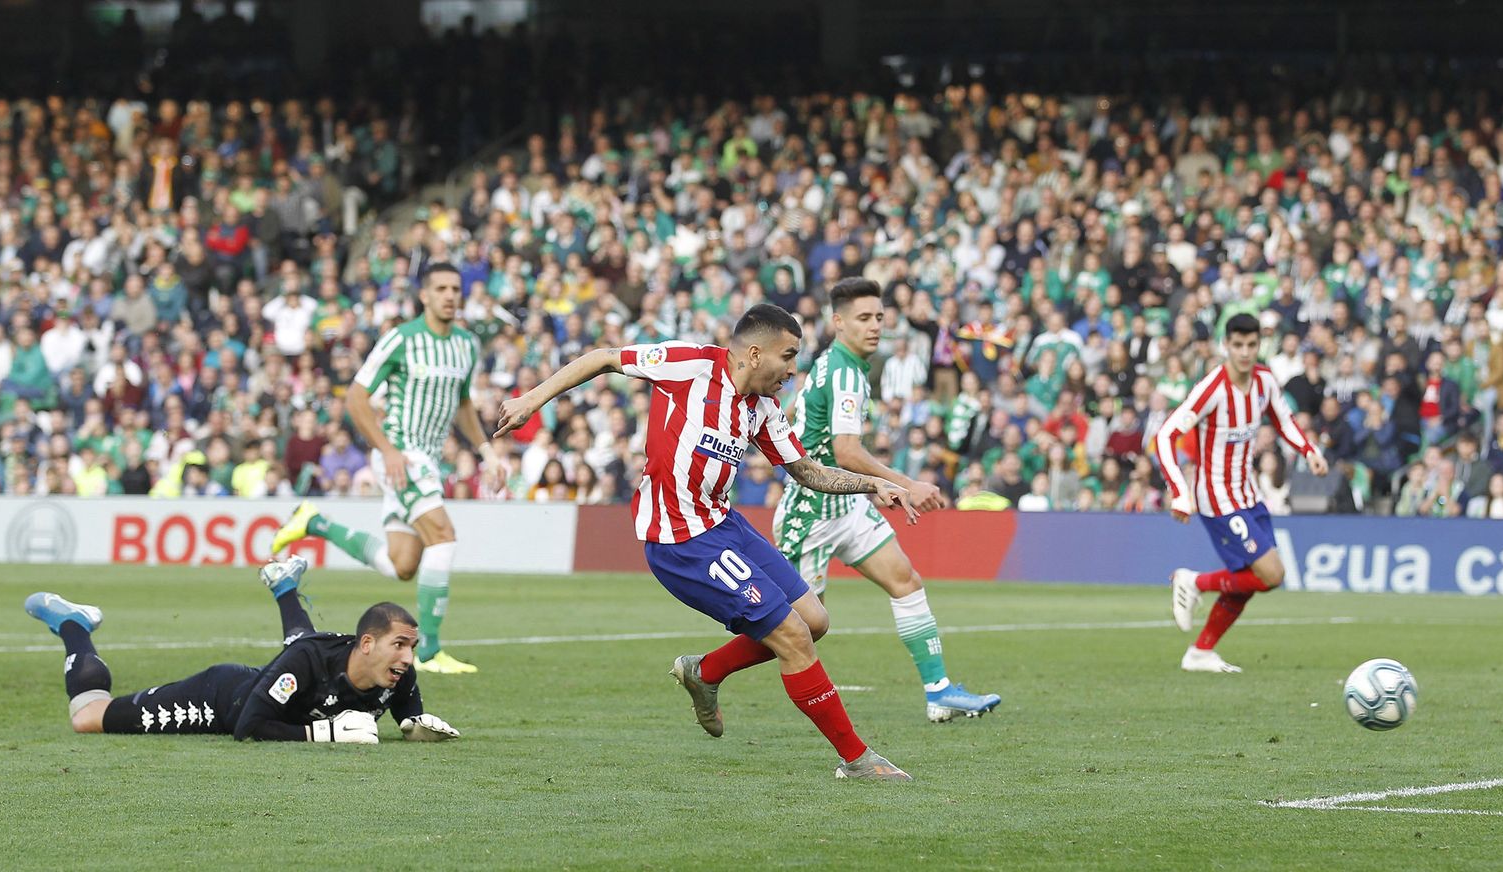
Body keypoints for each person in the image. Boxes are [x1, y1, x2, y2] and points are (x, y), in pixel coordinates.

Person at [495, 303, 916, 780]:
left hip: (723, 525)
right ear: (755, 354)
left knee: (814, 620)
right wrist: (532, 399)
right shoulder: (691, 364)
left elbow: (807, 471)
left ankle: (706, 671)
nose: (793, 371)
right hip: (679, 541)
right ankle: (857, 759)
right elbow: (605, 356)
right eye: (789, 357)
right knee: (794, 637)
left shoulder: (763, 408)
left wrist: (872, 484)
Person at [775, 278, 1000, 722]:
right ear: (838, 322)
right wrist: (906, 484)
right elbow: (847, 451)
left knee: (906, 581)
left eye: (879, 316)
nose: (875, 326)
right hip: (812, 511)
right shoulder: (843, 371)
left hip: (848, 503)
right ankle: (709, 669)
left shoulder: (837, 364)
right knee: (795, 628)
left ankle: (939, 692)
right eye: (864, 318)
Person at [272, 263, 501, 674]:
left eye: (455, 288)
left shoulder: (466, 345)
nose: (450, 295)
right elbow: (357, 397)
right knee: (443, 536)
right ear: (424, 296)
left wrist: (487, 450)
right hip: (401, 452)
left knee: (402, 564)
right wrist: (387, 449)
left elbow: (463, 403)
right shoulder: (401, 339)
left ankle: (316, 522)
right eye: (441, 288)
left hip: (426, 457)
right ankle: (429, 652)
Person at [22, 556, 459, 744]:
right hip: (220, 699)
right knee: (87, 719)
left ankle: (284, 583)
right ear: (368, 643)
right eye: (399, 645)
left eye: (412, 647)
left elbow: (407, 717)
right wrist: (320, 734)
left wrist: (418, 729)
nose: (407, 657)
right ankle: (73, 625)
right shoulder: (308, 661)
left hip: (282, 674)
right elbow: (248, 726)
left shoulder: (398, 675)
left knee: (299, 651)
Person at [1156, 313, 1329, 673]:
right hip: (1216, 498)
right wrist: (1179, 491)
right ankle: (1193, 581)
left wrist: (1309, 451)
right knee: (1273, 574)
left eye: (1252, 345)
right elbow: (1165, 435)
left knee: (1255, 581)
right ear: (1227, 345)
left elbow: (1283, 420)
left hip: (1248, 494)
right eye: (1238, 345)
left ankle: (1201, 652)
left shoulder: (1264, 381)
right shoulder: (1212, 388)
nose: (1245, 353)